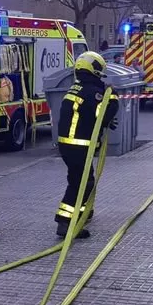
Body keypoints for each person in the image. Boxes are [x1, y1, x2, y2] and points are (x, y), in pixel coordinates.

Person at [55, 51, 119, 238]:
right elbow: (106, 112)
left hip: (68, 145)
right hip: (79, 146)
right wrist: (113, 95)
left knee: (81, 180)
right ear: (94, 70)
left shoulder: (75, 89)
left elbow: (91, 116)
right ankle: (65, 222)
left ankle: (83, 213)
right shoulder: (94, 92)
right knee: (80, 183)